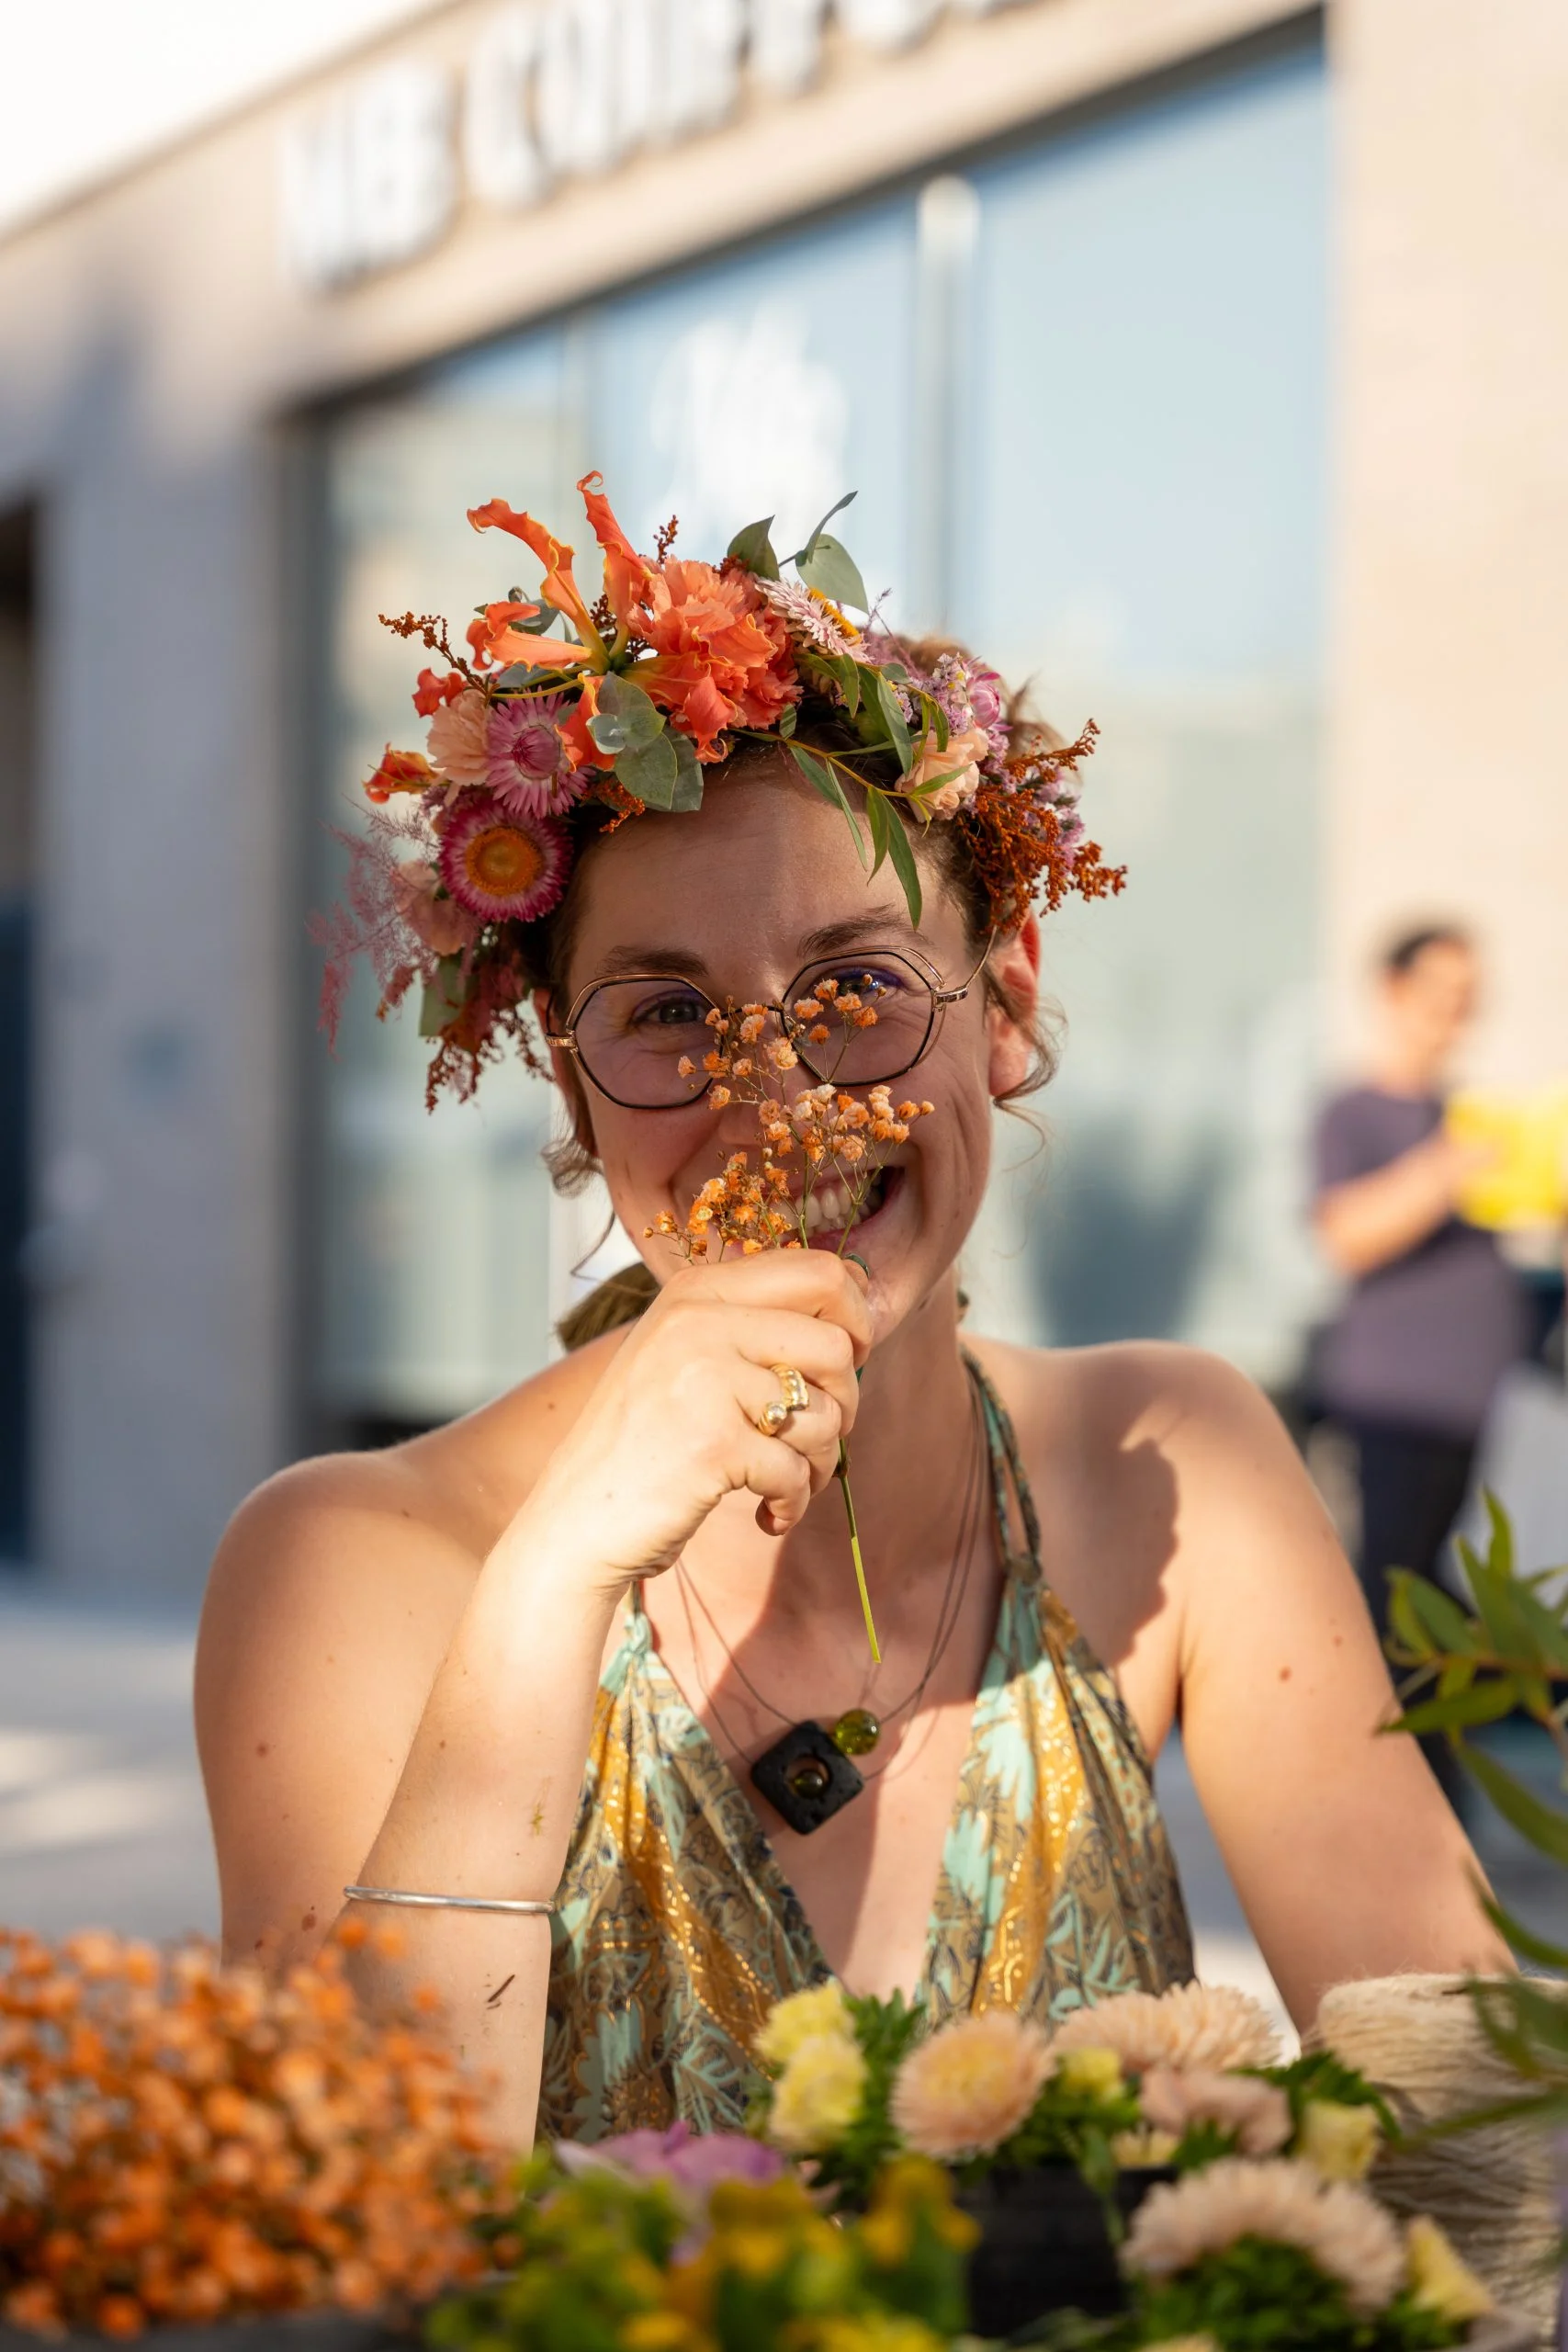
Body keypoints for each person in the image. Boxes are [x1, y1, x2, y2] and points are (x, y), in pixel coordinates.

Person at [197, 480, 1502, 2150]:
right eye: (667, 1014)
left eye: (860, 987)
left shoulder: (1169, 1464)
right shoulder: (348, 1564)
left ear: (1003, 1008)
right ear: (574, 1087)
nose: (784, 1106)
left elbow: (1484, 2145)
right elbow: (350, 2247)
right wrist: (547, 1586)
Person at [1312, 928, 1531, 1713]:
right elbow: (1345, 1235)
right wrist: (1445, 1170)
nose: (1454, 1014)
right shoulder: (1355, 1112)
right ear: (1392, 991)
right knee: (1400, 1608)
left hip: (1488, 1409)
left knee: (1464, 1604)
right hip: (1397, 1406)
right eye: (1440, 993)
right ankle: (1397, 1768)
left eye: (1467, 998)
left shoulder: (1470, 1116)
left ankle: (1445, 1763)